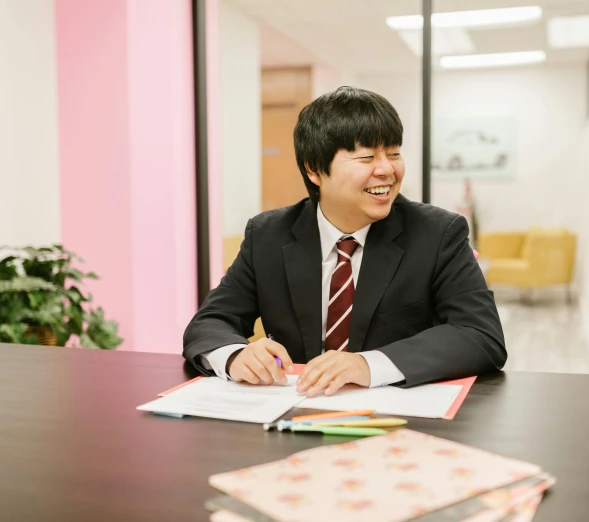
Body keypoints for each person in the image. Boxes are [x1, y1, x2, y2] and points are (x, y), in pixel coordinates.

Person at [183, 86, 506, 397]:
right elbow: (211, 322)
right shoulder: (268, 235)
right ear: (314, 169)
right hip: (295, 414)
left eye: (393, 153)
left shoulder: (438, 234)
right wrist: (236, 355)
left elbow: (480, 336)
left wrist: (368, 365)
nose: (387, 169)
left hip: (399, 421)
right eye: (366, 158)